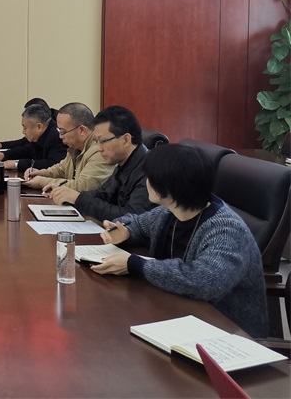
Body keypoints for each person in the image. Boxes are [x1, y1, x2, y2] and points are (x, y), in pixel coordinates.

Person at [91, 144, 268, 338]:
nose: (146, 182)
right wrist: (124, 231)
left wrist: (136, 264)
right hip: (176, 313)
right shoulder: (169, 212)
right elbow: (138, 224)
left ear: (170, 187)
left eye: (150, 178)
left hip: (227, 332)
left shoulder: (226, 230)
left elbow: (204, 282)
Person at [47, 105, 152, 221]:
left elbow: (131, 218)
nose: (99, 148)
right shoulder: (123, 163)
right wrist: (69, 194)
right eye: (97, 142)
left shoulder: (150, 171)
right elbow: (102, 194)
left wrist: (78, 199)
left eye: (103, 141)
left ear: (126, 140)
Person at [23, 102, 114, 192]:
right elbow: (62, 169)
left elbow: (83, 186)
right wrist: (40, 173)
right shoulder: (75, 147)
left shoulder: (100, 150)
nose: (60, 136)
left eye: (63, 132)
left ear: (82, 130)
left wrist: (42, 182)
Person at [0, 104, 66, 172]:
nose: (23, 132)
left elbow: (52, 164)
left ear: (39, 127)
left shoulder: (57, 136)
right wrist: (4, 155)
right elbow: (27, 150)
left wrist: (17, 164)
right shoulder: (42, 134)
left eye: (25, 128)